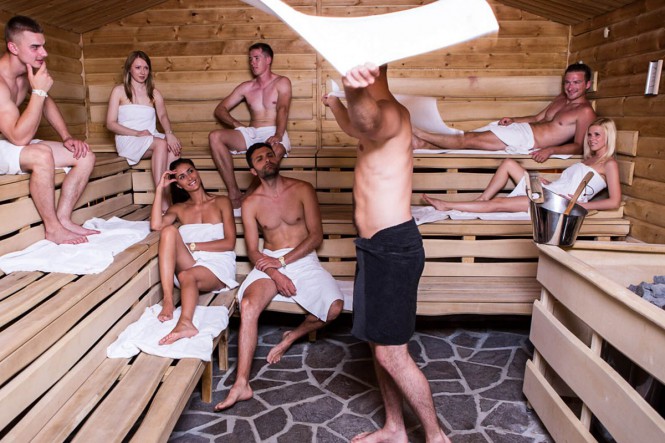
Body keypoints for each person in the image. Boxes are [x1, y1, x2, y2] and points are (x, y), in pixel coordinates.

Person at [323, 64, 450, 443]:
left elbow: (366, 121)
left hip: (392, 248)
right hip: (373, 248)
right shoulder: (375, 115)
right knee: (378, 345)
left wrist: (351, 90)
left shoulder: (390, 112)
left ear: (373, 67)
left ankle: (437, 437)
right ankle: (395, 429)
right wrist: (335, 103)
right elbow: (356, 127)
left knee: (391, 354)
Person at [214, 142, 343, 411]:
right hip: (269, 262)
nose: (267, 160)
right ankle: (241, 384)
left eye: (270, 155)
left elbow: (316, 236)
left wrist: (283, 261)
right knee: (248, 305)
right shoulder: (251, 203)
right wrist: (275, 272)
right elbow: (253, 249)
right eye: (260, 159)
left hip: (302, 259)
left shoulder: (302, 189)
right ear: (253, 170)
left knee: (334, 308)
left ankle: (292, 336)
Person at [0, 15, 98, 244]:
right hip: (9, 141)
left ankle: (63, 219)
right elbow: (18, 138)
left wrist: (66, 136)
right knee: (41, 155)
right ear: (13, 47)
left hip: (10, 142)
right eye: (35, 47)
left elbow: (46, 102)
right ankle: (52, 229)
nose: (43, 53)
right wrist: (39, 91)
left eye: (43, 46)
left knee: (85, 156)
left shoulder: (27, 72)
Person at [423, 118, 622, 213]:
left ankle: (447, 205)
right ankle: (482, 199)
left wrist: (581, 205)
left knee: (500, 203)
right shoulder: (589, 160)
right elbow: (571, 182)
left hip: (556, 203)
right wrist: (549, 183)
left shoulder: (609, 164)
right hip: (551, 190)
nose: (592, 139)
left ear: (608, 137)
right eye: (590, 134)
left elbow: (614, 202)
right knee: (509, 163)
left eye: (597, 135)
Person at [412, 63, 597, 163]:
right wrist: (514, 120)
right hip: (522, 130)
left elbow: (579, 146)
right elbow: (537, 118)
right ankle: (422, 144)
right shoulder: (561, 98)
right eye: (568, 82)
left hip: (528, 140)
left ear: (587, 84)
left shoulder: (585, 111)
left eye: (576, 83)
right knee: (470, 139)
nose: (570, 87)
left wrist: (550, 150)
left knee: (467, 139)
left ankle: (420, 134)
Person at [150, 158, 238, 345]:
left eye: (190, 171)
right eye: (182, 177)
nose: (189, 177)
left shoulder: (222, 202)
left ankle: (185, 323)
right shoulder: (179, 208)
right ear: (178, 185)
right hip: (190, 262)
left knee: (187, 275)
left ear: (197, 171)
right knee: (168, 231)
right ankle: (168, 300)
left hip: (217, 265)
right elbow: (156, 225)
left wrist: (194, 246)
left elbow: (229, 243)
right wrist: (159, 189)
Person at [208, 43, 292, 208]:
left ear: (268, 59)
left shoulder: (282, 82)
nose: (252, 62)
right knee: (215, 136)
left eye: (256, 58)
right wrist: (237, 124)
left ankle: (246, 197)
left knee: (276, 150)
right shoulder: (247, 87)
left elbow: (283, 108)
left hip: (274, 130)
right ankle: (234, 193)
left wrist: (278, 134)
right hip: (252, 132)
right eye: (250, 59)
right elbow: (220, 109)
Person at [107, 50, 181, 212]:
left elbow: (163, 116)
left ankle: (170, 196)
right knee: (161, 144)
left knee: (174, 148)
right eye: (138, 67)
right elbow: (110, 124)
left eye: (146, 68)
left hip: (150, 137)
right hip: (128, 138)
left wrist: (170, 134)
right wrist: (137, 133)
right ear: (129, 69)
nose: (142, 72)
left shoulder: (154, 93)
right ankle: (161, 200)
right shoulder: (119, 91)